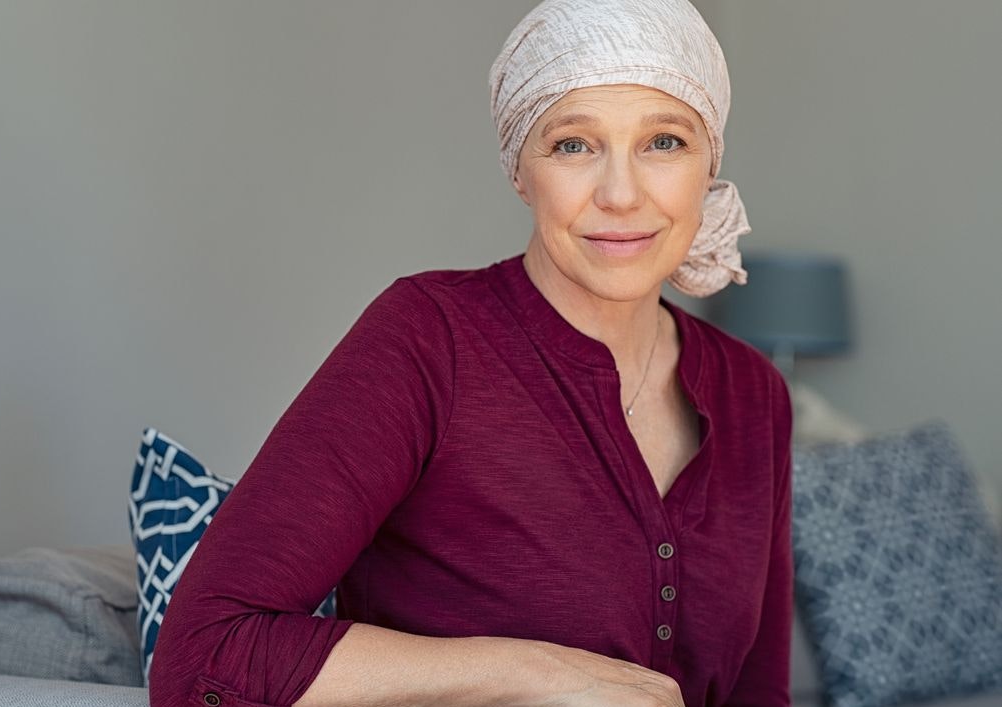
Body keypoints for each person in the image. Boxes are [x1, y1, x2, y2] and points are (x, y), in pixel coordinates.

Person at [151, 0, 793, 705]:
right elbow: (204, 653)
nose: (619, 193)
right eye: (573, 145)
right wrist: (539, 673)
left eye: (663, 142)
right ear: (520, 170)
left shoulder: (752, 393)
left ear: (708, 163)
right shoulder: (428, 339)